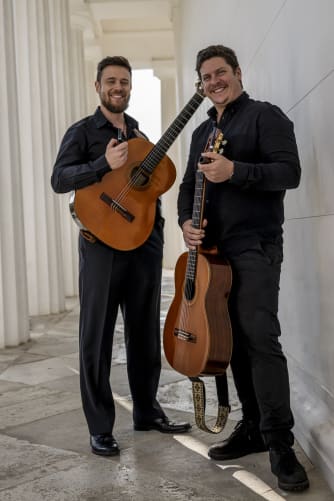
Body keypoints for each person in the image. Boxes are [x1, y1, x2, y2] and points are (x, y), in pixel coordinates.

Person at [177, 45, 309, 492]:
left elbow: (288, 173)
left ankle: (280, 445)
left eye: (221, 73)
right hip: (213, 257)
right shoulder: (199, 134)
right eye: (206, 77)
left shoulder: (265, 116)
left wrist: (234, 171)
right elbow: (184, 191)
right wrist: (185, 223)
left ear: (237, 73)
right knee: (230, 343)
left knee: (260, 339)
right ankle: (251, 426)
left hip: (255, 247)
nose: (214, 82)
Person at [51, 56, 191, 457]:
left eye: (124, 82)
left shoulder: (140, 135)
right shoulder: (82, 132)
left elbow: (152, 187)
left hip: (143, 245)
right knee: (95, 335)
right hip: (101, 246)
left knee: (144, 330)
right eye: (111, 81)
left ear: (130, 88)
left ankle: (147, 411)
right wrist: (100, 165)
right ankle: (100, 427)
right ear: (98, 86)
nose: (119, 87)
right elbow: (59, 179)